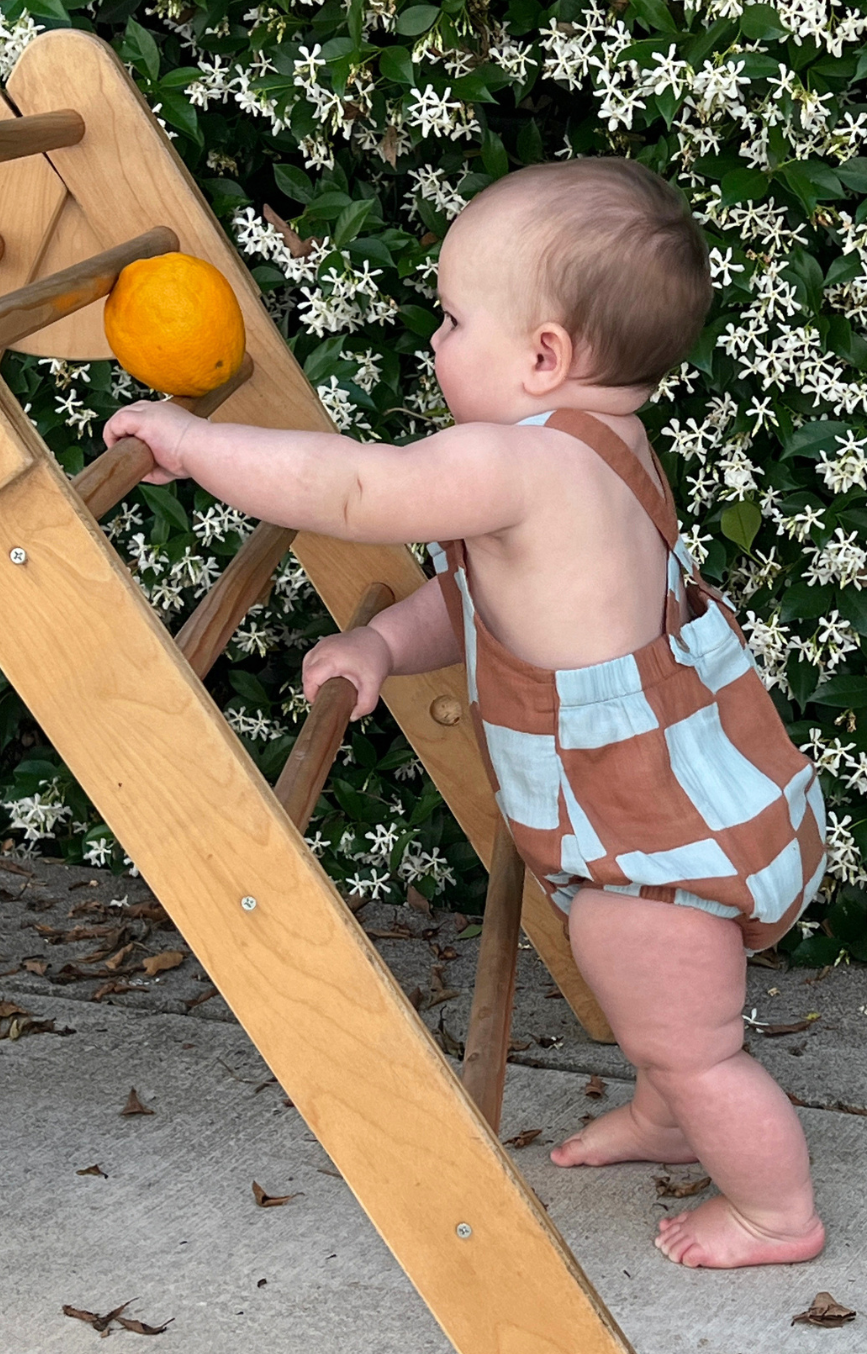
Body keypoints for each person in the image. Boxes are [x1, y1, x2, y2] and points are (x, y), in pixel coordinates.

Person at [103, 156, 827, 1269]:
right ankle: (666, 1110)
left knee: (698, 1044)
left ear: (545, 356)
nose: (432, 342)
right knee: (658, 1021)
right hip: (648, 810)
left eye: (451, 318)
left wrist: (193, 444)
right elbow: (481, 599)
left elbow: (353, 492)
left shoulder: (520, 463)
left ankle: (776, 1210)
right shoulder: (598, 450)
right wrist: (385, 642)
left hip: (648, 848)